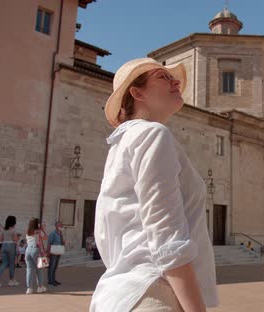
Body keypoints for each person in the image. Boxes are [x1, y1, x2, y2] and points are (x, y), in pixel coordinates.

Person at [91, 58, 218, 312]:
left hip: (120, 294)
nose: (176, 81)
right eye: (163, 77)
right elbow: (167, 238)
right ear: (137, 93)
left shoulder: (123, 143)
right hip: (155, 293)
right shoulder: (153, 135)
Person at [0, 216, 19, 287]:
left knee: (4, 263)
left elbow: (1, 239)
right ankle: (11, 280)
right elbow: (15, 240)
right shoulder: (13, 230)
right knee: (12, 264)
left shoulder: (4, 230)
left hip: (4, 245)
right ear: (13, 222)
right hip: (11, 246)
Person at [25, 218, 48, 294]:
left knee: (29, 270)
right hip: (37, 250)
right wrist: (42, 229)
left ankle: (29, 288)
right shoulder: (38, 231)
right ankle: (40, 287)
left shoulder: (28, 231)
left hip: (28, 250)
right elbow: (45, 238)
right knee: (40, 270)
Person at [47, 221, 65, 286]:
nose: (61, 226)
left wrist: (63, 242)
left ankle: (53, 279)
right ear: (56, 226)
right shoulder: (52, 233)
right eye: (60, 225)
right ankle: (50, 280)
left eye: (61, 225)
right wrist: (48, 253)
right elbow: (49, 243)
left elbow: (62, 242)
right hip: (53, 251)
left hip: (59, 251)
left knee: (55, 266)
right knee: (52, 266)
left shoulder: (60, 233)